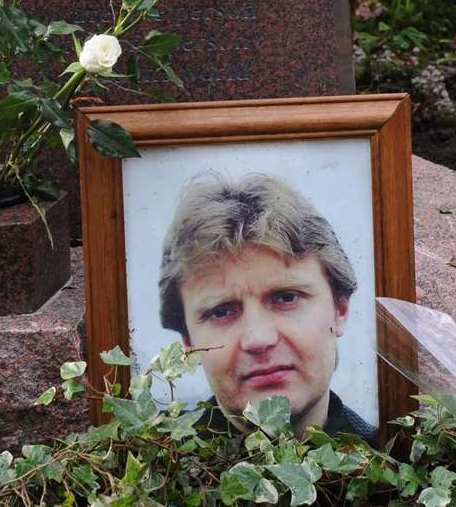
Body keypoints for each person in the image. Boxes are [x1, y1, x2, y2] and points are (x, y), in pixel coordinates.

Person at [157, 173, 377, 442]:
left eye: (286, 298)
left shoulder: (401, 465)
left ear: (339, 309)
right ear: (188, 340)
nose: (259, 339)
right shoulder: (144, 473)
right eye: (222, 312)